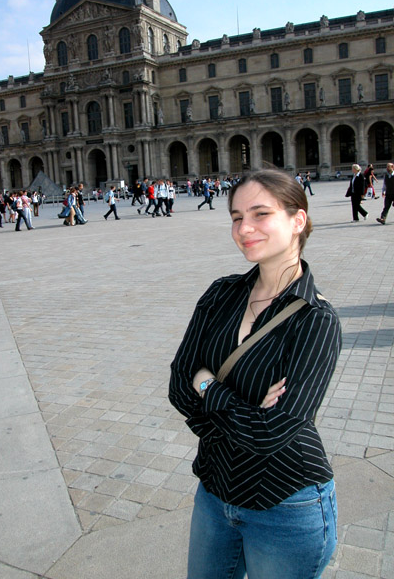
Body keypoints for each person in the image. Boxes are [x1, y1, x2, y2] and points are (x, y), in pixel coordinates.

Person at [169, 168, 341, 579]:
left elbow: (271, 434)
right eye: (235, 216)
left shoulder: (316, 320)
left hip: (285, 502)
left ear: (297, 220)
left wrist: (207, 384)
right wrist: (243, 412)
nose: (244, 228)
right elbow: (178, 385)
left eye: (260, 214)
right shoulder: (221, 293)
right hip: (215, 491)